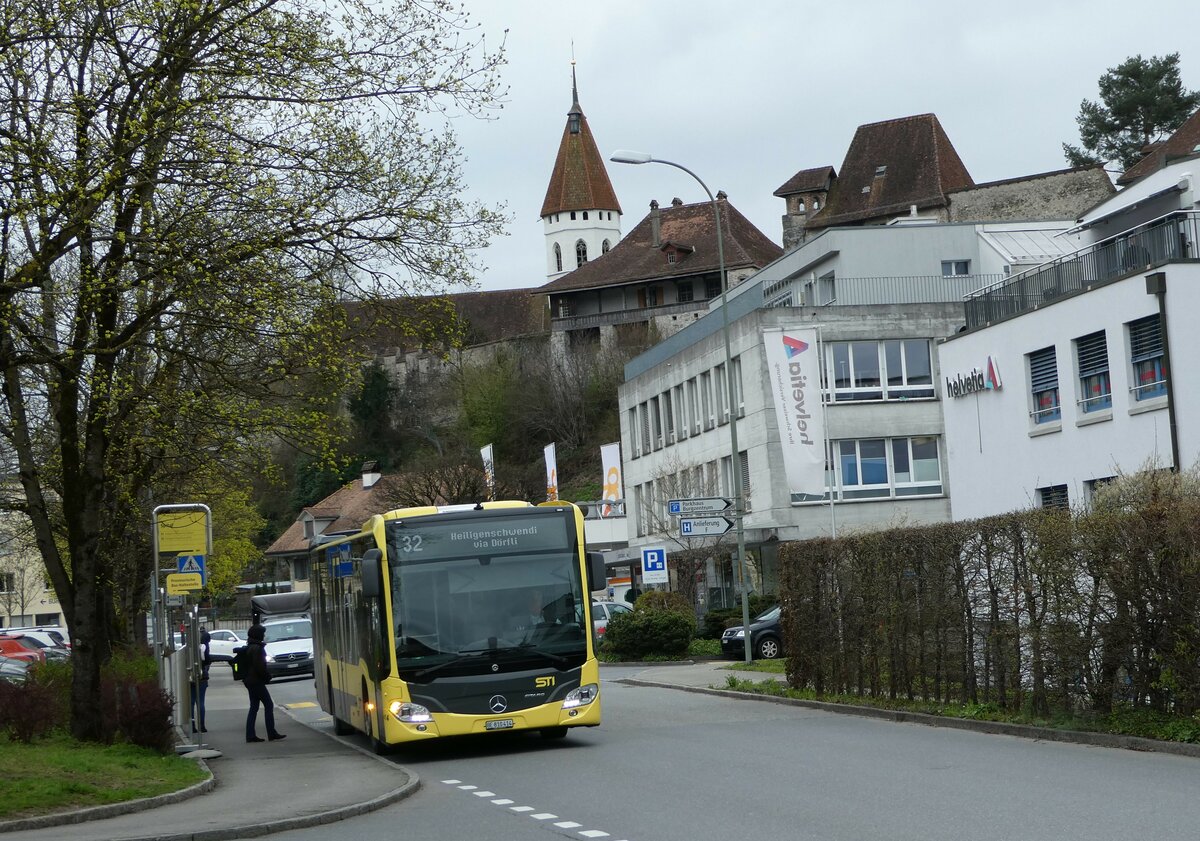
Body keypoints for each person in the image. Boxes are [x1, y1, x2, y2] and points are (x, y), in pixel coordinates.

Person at [242, 624, 286, 743]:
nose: (264, 635)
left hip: (249, 680)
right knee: (268, 705)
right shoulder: (257, 648)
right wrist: (267, 677)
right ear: (258, 634)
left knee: (254, 707)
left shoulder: (250, 646)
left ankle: (250, 734)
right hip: (256, 681)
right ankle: (271, 732)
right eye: (263, 633)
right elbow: (259, 666)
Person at [190, 629, 211, 734]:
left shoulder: (188, 648)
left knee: (191, 702)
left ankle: (192, 725)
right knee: (201, 702)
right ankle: (202, 725)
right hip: (202, 677)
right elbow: (207, 661)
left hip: (190, 677)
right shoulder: (204, 648)